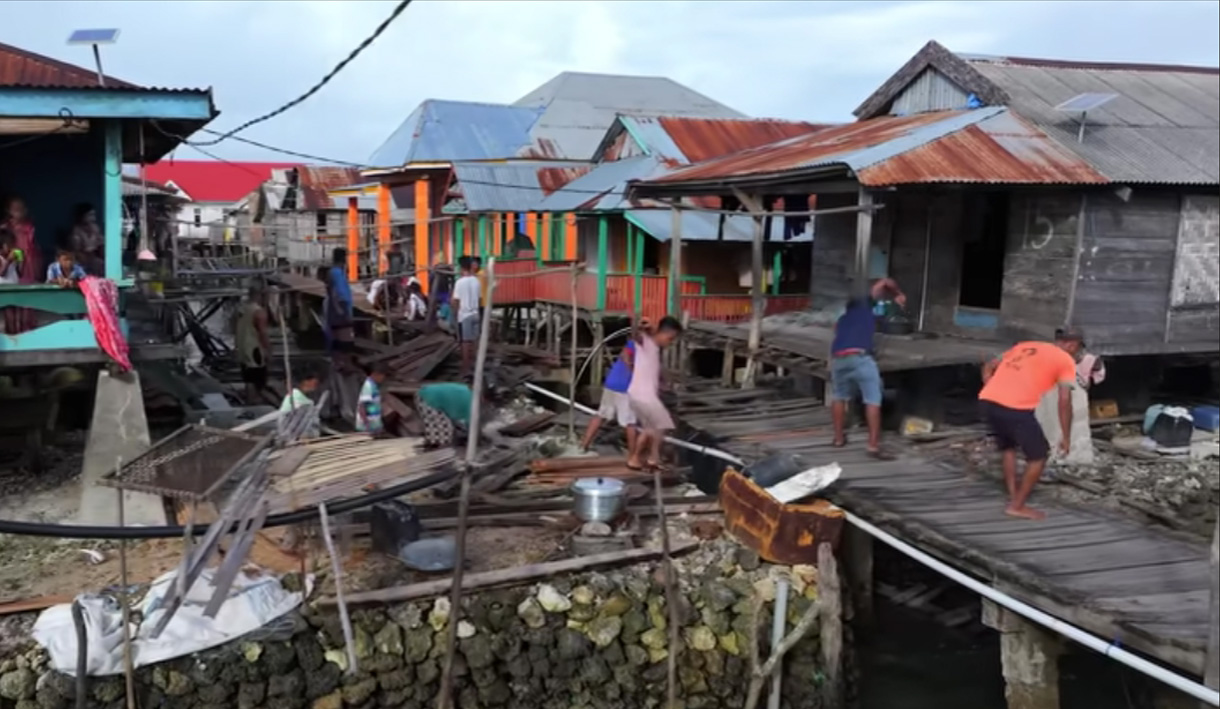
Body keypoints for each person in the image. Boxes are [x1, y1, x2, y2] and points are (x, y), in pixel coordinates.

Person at [979, 328, 1084, 521]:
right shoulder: (1065, 360)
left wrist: (990, 384)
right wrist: (1066, 436)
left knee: (1008, 448)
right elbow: (1064, 401)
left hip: (990, 402)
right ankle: (1016, 506)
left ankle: (1013, 495)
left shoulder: (1026, 345)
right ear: (1072, 345)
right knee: (1038, 457)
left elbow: (989, 365)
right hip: (1016, 409)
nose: (1076, 353)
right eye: (1077, 349)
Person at [829, 277, 906, 458]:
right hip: (861, 357)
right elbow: (884, 283)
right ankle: (872, 445)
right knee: (872, 399)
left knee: (839, 396)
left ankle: (838, 438)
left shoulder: (842, 319)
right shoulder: (867, 309)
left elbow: (837, 333)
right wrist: (898, 295)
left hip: (839, 358)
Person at [626, 316, 683, 471]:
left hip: (640, 394)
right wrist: (645, 326)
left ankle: (638, 459)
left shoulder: (655, 348)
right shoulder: (647, 342)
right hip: (644, 396)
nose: (670, 342)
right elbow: (637, 336)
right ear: (662, 333)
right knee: (662, 424)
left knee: (651, 429)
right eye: (670, 338)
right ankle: (651, 458)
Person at [580, 337, 638, 452]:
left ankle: (583, 445)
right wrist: (635, 373)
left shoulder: (635, 343)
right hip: (624, 386)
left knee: (601, 414)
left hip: (612, 383)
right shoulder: (641, 345)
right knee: (630, 422)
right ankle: (633, 455)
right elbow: (626, 355)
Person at [3, 197, 41, 334]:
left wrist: (35, 267)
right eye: (15, 209)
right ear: (8, 210)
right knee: (10, 302)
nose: (18, 212)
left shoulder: (29, 228)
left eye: (21, 209)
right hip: (9, 266)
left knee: (27, 297)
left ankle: (27, 329)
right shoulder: (4, 228)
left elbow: (33, 248)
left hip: (27, 265)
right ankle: (11, 331)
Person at [235, 283, 271, 402]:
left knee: (248, 375)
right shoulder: (259, 312)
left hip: (242, 347)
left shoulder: (242, 309)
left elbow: (233, 326)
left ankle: (250, 397)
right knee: (257, 375)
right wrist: (268, 350)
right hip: (254, 348)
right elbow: (263, 333)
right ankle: (253, 399)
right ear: (260, 295)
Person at [416, 381, 475, 448]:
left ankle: (434, 443)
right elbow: (471, 425)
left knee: (437, 425)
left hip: (428, 394)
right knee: (442, 427)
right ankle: (440, 448)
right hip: (429, 397)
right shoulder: (472, 404)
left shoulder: (472, 395)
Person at [452, 256, 482, 377]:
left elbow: (455, 301)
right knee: (475, 341)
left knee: (465, 342)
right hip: (476, 314)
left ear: (461, 267)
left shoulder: (459, 282)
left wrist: (455, 313)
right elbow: (480, 299)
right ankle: (476, 366)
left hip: (465, 315)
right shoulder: (476, 281)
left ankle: (466, 368)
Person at [327, 249, 355, 366]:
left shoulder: (337, 272)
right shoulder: (336, 273)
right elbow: (335, 293)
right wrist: (340, 310)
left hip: (341, 307)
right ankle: (342, 363)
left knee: (339, 339)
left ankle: (339, 363)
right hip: (340, 308)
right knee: (345, 339)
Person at [280, 365, 322, 439]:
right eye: (311, 380)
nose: (315, 383)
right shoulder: (300, 400)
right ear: (304, 381)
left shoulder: (294, 395)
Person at [70, 203, 104, 276]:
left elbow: (101, 245)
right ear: (82, 216)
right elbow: (77, 251)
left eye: (94, 215)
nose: (93, 218)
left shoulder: (95, 228)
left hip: (95, 260)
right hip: (81, 261)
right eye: (90, 215)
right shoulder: (76, 231)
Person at [356, 362, 390, 434]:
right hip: (368, 427)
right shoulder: (368, 386)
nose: (383, 378)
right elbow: (362, 407)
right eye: (382, 375)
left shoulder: (373, 385)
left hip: (374, 425)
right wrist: (367, 425)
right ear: (375, 374)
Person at [386, 242, 406, 310]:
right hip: (392, 273)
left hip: (397, 274)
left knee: (398, 287)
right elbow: (387, 253)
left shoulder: (400, 254)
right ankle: (393, 299)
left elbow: (403, 263)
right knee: (392, 287)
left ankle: (400, 299)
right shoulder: (391, 254)